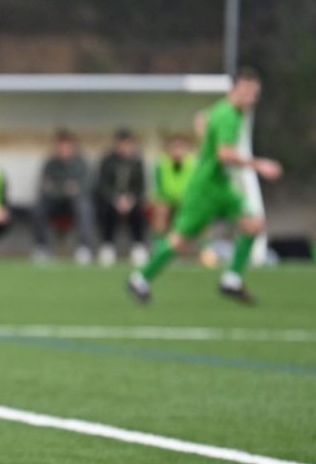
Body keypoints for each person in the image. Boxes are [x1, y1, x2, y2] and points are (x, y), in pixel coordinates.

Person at [128, 67, 282, 304]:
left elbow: (201, 119)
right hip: (205, 189)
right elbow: (224, 154)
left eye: (255, 94)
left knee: (253, 224)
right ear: (235, 90)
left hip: (220, 185)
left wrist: (206, 138)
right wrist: (258, 164)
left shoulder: (223, 110)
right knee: (180, 241)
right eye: (248, 92)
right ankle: (140, 278)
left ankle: (231, 280)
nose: (252, 99)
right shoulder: (228, 115)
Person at [31, 130, 95, 264]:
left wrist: (62, 188)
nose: (63, 150)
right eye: (60, 146)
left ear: (72, 147)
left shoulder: (81, 163)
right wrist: (66, 188)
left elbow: (85, 187)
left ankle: (84, 248)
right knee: (38, 207)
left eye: (66, 146)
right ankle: (41, 247)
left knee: (84, 207)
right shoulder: (50, 164)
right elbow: (44, 187)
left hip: (73, 204)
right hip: (55, 203)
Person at [95, 128, 147, 266]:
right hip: (112, 200)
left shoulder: (137, 162)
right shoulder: (107, 161)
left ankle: (138, 245)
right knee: (107, 210)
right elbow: (102, 186)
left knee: (138, 212)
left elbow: (140, 187)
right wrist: (116, 199)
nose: (124, 147)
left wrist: (130, 200)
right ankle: (107, 245)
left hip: (131, 201)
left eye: (127, 143)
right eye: (121, 143)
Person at [150, 136, 198, 238]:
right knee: (161, 210)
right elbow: (159, 187)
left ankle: (201, 244)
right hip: (167, 199)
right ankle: (160, 242)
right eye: (175, 148)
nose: (178, 152)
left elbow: (196, 186)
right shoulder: (162, 164)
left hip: (187, 199)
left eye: (181, 148)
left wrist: (186, 198)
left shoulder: (193, 164)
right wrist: (165, 198)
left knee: (200, 210)